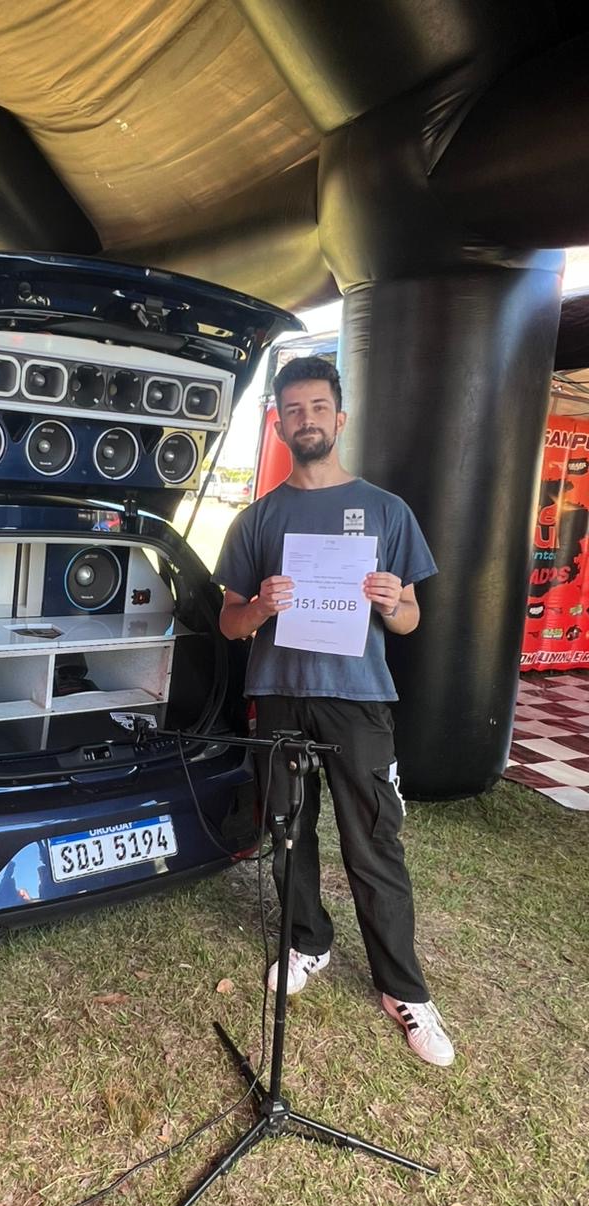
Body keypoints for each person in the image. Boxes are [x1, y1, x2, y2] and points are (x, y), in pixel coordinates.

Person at [213, 355, 454, 1067]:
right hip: (280, 693)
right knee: (288, 831)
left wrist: (392, 601)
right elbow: (229, 621)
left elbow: (410, 618)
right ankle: (306, 942)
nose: (307, 419)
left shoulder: (387, 511)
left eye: (318, 407)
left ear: (339, 418)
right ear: (278, 425)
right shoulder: (258, 517)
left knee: (374, 841)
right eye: (294, 410)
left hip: (359, 699)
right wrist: (261, 607)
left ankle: (403, 989)